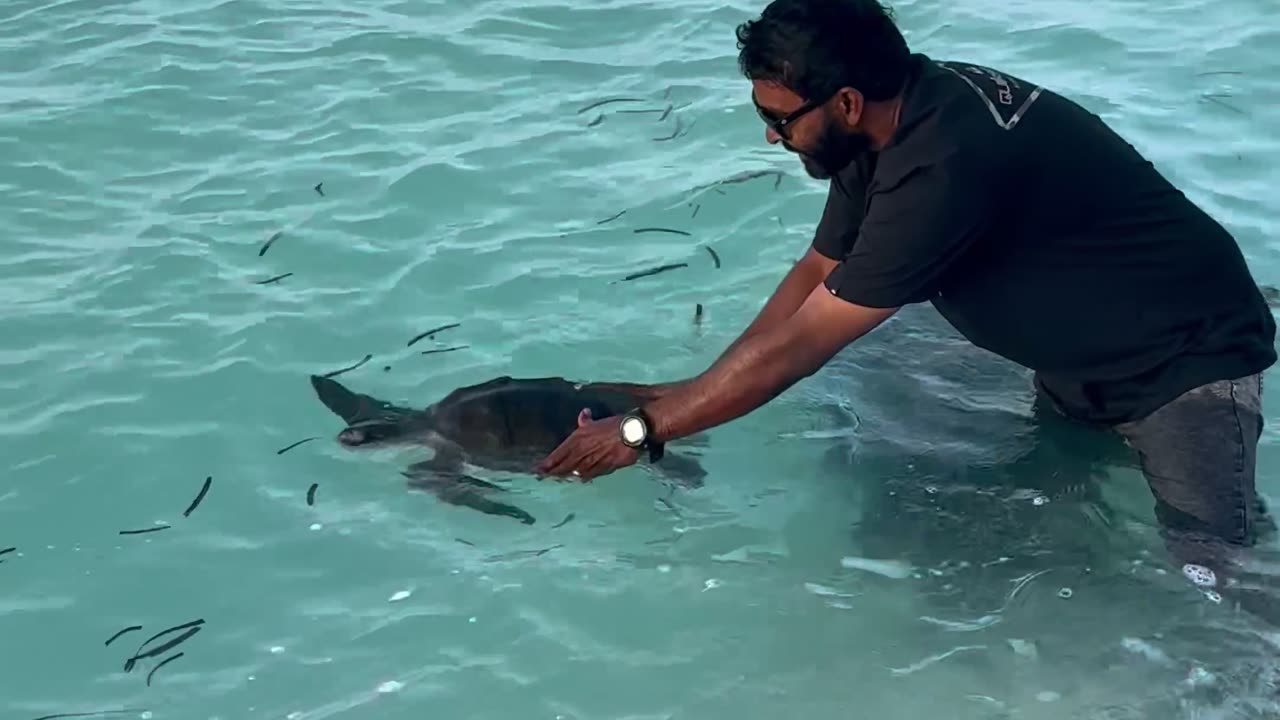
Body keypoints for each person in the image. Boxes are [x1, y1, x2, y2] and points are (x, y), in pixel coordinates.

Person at [535, 0, 1277, 597]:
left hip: (1184, 365)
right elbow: (814, 274)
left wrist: (641, 431)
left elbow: (806, 343)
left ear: (847, 101)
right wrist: (691, 396)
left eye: (779, 120)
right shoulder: (886, 128)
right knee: (1058, 512)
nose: (770, 138)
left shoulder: (944, 163)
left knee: (1214, 579)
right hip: (1080, 360)